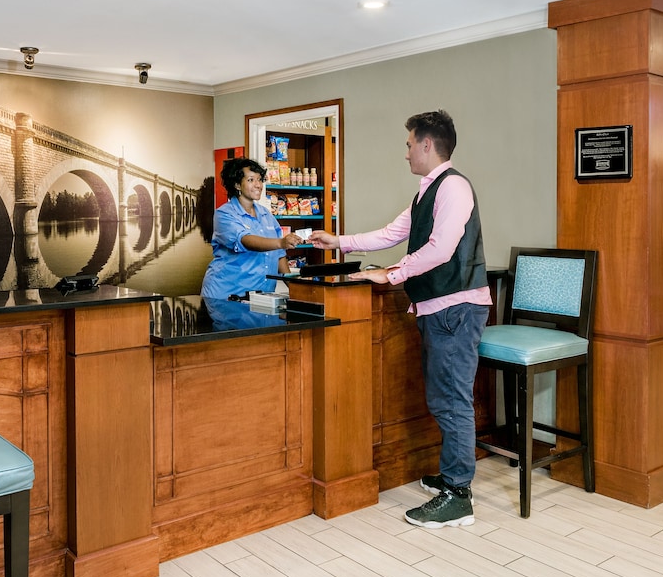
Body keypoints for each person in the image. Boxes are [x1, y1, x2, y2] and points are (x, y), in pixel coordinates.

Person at [308, 109, 492, 529]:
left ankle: (458, 494)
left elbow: (442, 248)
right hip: (438, 308)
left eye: (409, 144)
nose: (405, 152)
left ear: (428, 144)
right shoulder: (426, 192)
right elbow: (391, 233)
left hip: (456, 309)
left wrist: (391, 272)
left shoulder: (455, 188)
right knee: (442, 398)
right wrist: (337, 240)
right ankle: (451, 476)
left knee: (451, 400)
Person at [201, 157, 301, 300]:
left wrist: (295, 289)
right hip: (228, 297)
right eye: (251, 180)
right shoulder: (224, 214)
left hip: (262, 297)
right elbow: (245, 240)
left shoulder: (266, 215)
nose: (258, 185)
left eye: (259, 180)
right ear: (237, 185)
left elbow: (279, 256)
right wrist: (281, 242)